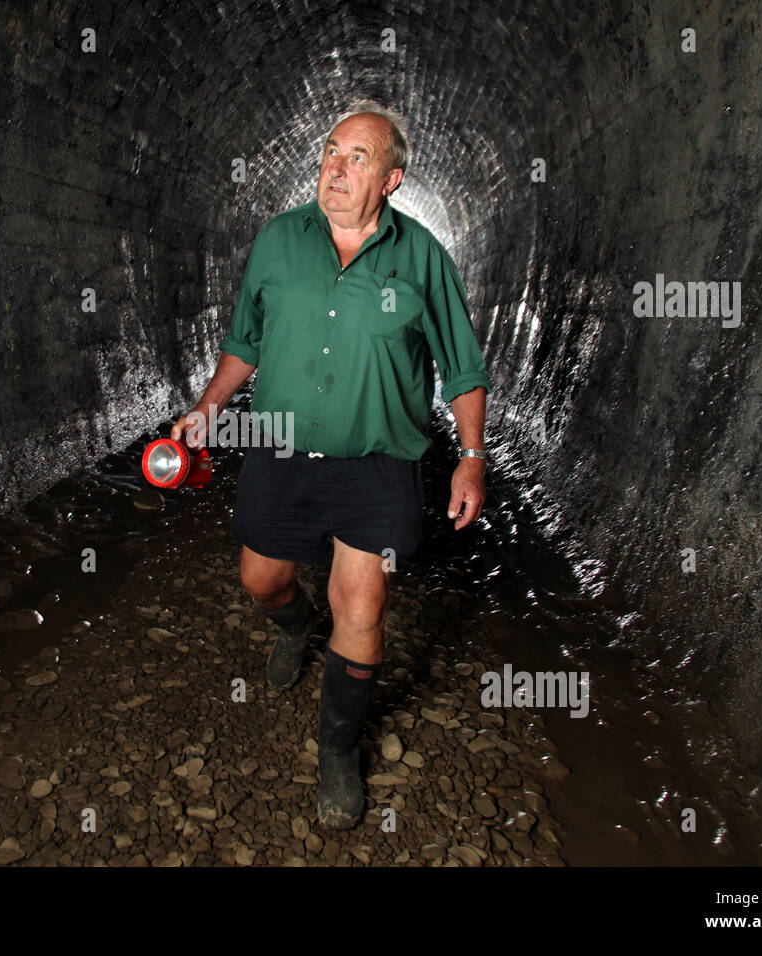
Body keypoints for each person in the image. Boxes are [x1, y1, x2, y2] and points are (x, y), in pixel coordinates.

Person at [171, 99, 492, 829]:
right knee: (261, 578)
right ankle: (294, 626)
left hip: (377, 462)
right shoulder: (279, 242)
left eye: (357, 158)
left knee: (363, 604)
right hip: (281, 446)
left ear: (393, 179)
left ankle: (339, 751)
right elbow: (245, 342)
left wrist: (470, 458)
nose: (335, 169)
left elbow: (463, 368)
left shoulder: (421, 260)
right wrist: (209, 408)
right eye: (330, 151)